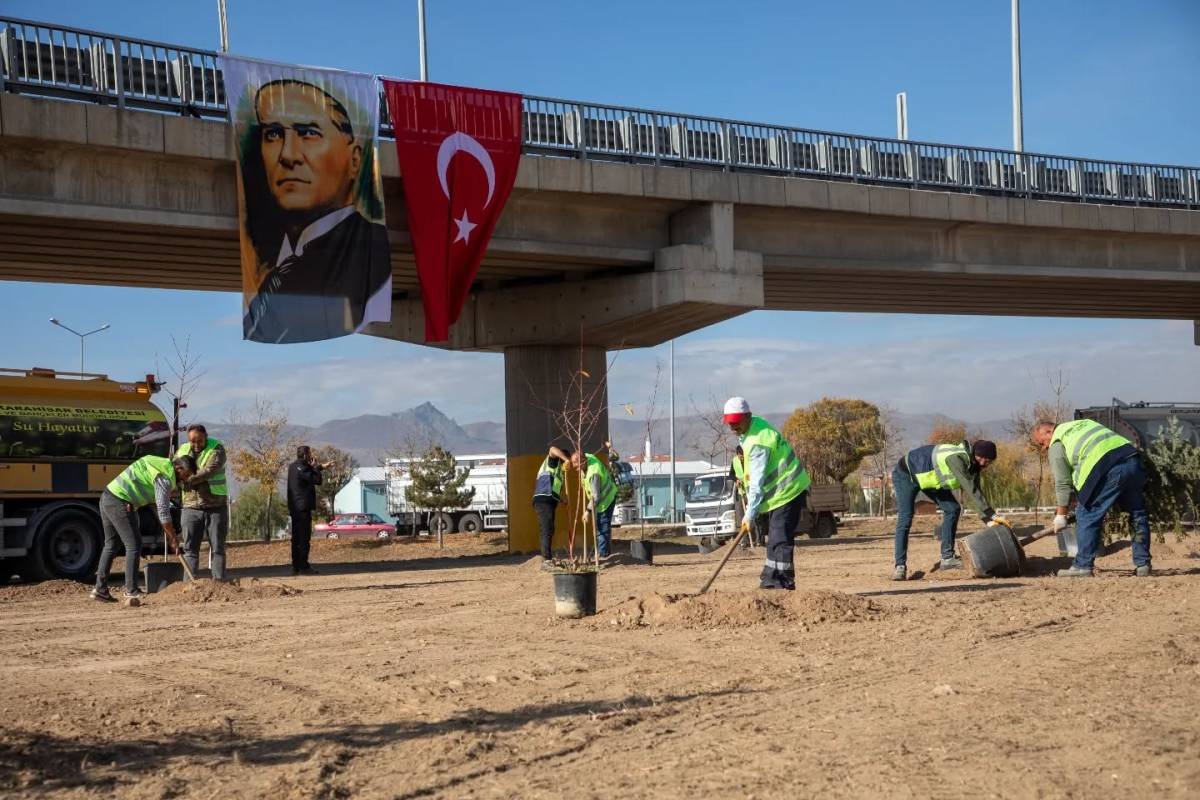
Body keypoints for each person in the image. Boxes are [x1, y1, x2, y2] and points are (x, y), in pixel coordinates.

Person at [241, 79, 391, 343]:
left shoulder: (372, 253)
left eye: (309, 133)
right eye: (273, 134)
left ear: (355, 160)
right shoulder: (274, 276)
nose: (288, 155)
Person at [1031, 419, 1151, 577]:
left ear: (1049, 432)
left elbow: (1062, 482)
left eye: (1042, 443)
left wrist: (1061, 515)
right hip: (1132, 460)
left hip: (1107, 469)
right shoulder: (1082, 424)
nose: (1045, 447)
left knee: (1087, 514)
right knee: (1137, 513)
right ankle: (1143, 564)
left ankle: (1082, 566)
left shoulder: (1057, 442)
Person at [723, 397, 811, 590]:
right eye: (730, 423)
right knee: (775, 537)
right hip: (781, 494)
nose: (733, 427)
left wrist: (749, 515)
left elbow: (756, 483)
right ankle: (770, 578)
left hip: (788, 491)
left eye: (736, 422)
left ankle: (782, 583)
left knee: (780, 538)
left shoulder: (757, 442)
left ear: (747, 416)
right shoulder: (755, 427)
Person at [891, 438, 1004, 581]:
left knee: (953, 509)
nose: (983, 462)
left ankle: (947, 558)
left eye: (988, 461)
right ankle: (899, 566)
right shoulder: (957, 458)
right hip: (906, 474)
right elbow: (969, 489)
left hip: (930, 480)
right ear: (974, 453)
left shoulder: (974, 465)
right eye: (981, 457)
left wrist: (989, 520)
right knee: (906, 517)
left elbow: (976, 493)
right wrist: (992, 514)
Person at [91, 454, 196, 602]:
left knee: (111, 544)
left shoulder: (159, 464)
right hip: (121, 501)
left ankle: (100, 589)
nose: (186, 479)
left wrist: (169, 533)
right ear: (179, 469)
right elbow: (163, 511)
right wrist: (173, 538)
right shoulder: (164, 478)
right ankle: (131, 590)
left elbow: (155, 505)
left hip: (108, 496)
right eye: (187, 475)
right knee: (134, 545)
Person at [176, 424, 230, 581]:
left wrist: (187, 482)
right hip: (191, 507)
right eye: (192, 441)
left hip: (215, 506)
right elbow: (175, 471)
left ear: (206, 436)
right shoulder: (182, 450)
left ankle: (219, 582)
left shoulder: (217, 449)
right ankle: (189, 584)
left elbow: (209, 470)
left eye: (199, 440)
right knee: (190, 549)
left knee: (218, 548)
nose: (196, 445)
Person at [287, 445, 330, 575]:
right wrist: (317, 467)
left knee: (295, 538)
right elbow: (317, 479)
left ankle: (295, 566)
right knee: (304, 538)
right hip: (303, 508)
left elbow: (308, 473)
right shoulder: (303, 468)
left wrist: (320, 467)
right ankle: (304, 566)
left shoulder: (293, 467)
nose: (311, 456)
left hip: (294, 507)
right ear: (305, 455)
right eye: (310, 454)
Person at [570, 450, 619, 558]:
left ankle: (602, 555)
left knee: (602, 527)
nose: (574, 467)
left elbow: (596, 496)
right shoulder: (588, 457)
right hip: (599, 498)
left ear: (583, 461)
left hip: (606, 498)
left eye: (575, 464)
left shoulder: (594, 474)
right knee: (601, 527)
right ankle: (606, 553)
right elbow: (583, 452)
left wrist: (587, 511)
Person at [532, 445, 572, 568]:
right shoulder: (553, 463)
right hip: (543, 501)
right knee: (546, 530)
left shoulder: (559, 471)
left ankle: (547, 557)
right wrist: (566, 460)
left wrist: (562, 501)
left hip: (548, 501)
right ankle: (546, 560)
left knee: (549, 529)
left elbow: (553, 490)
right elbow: (552, 449)